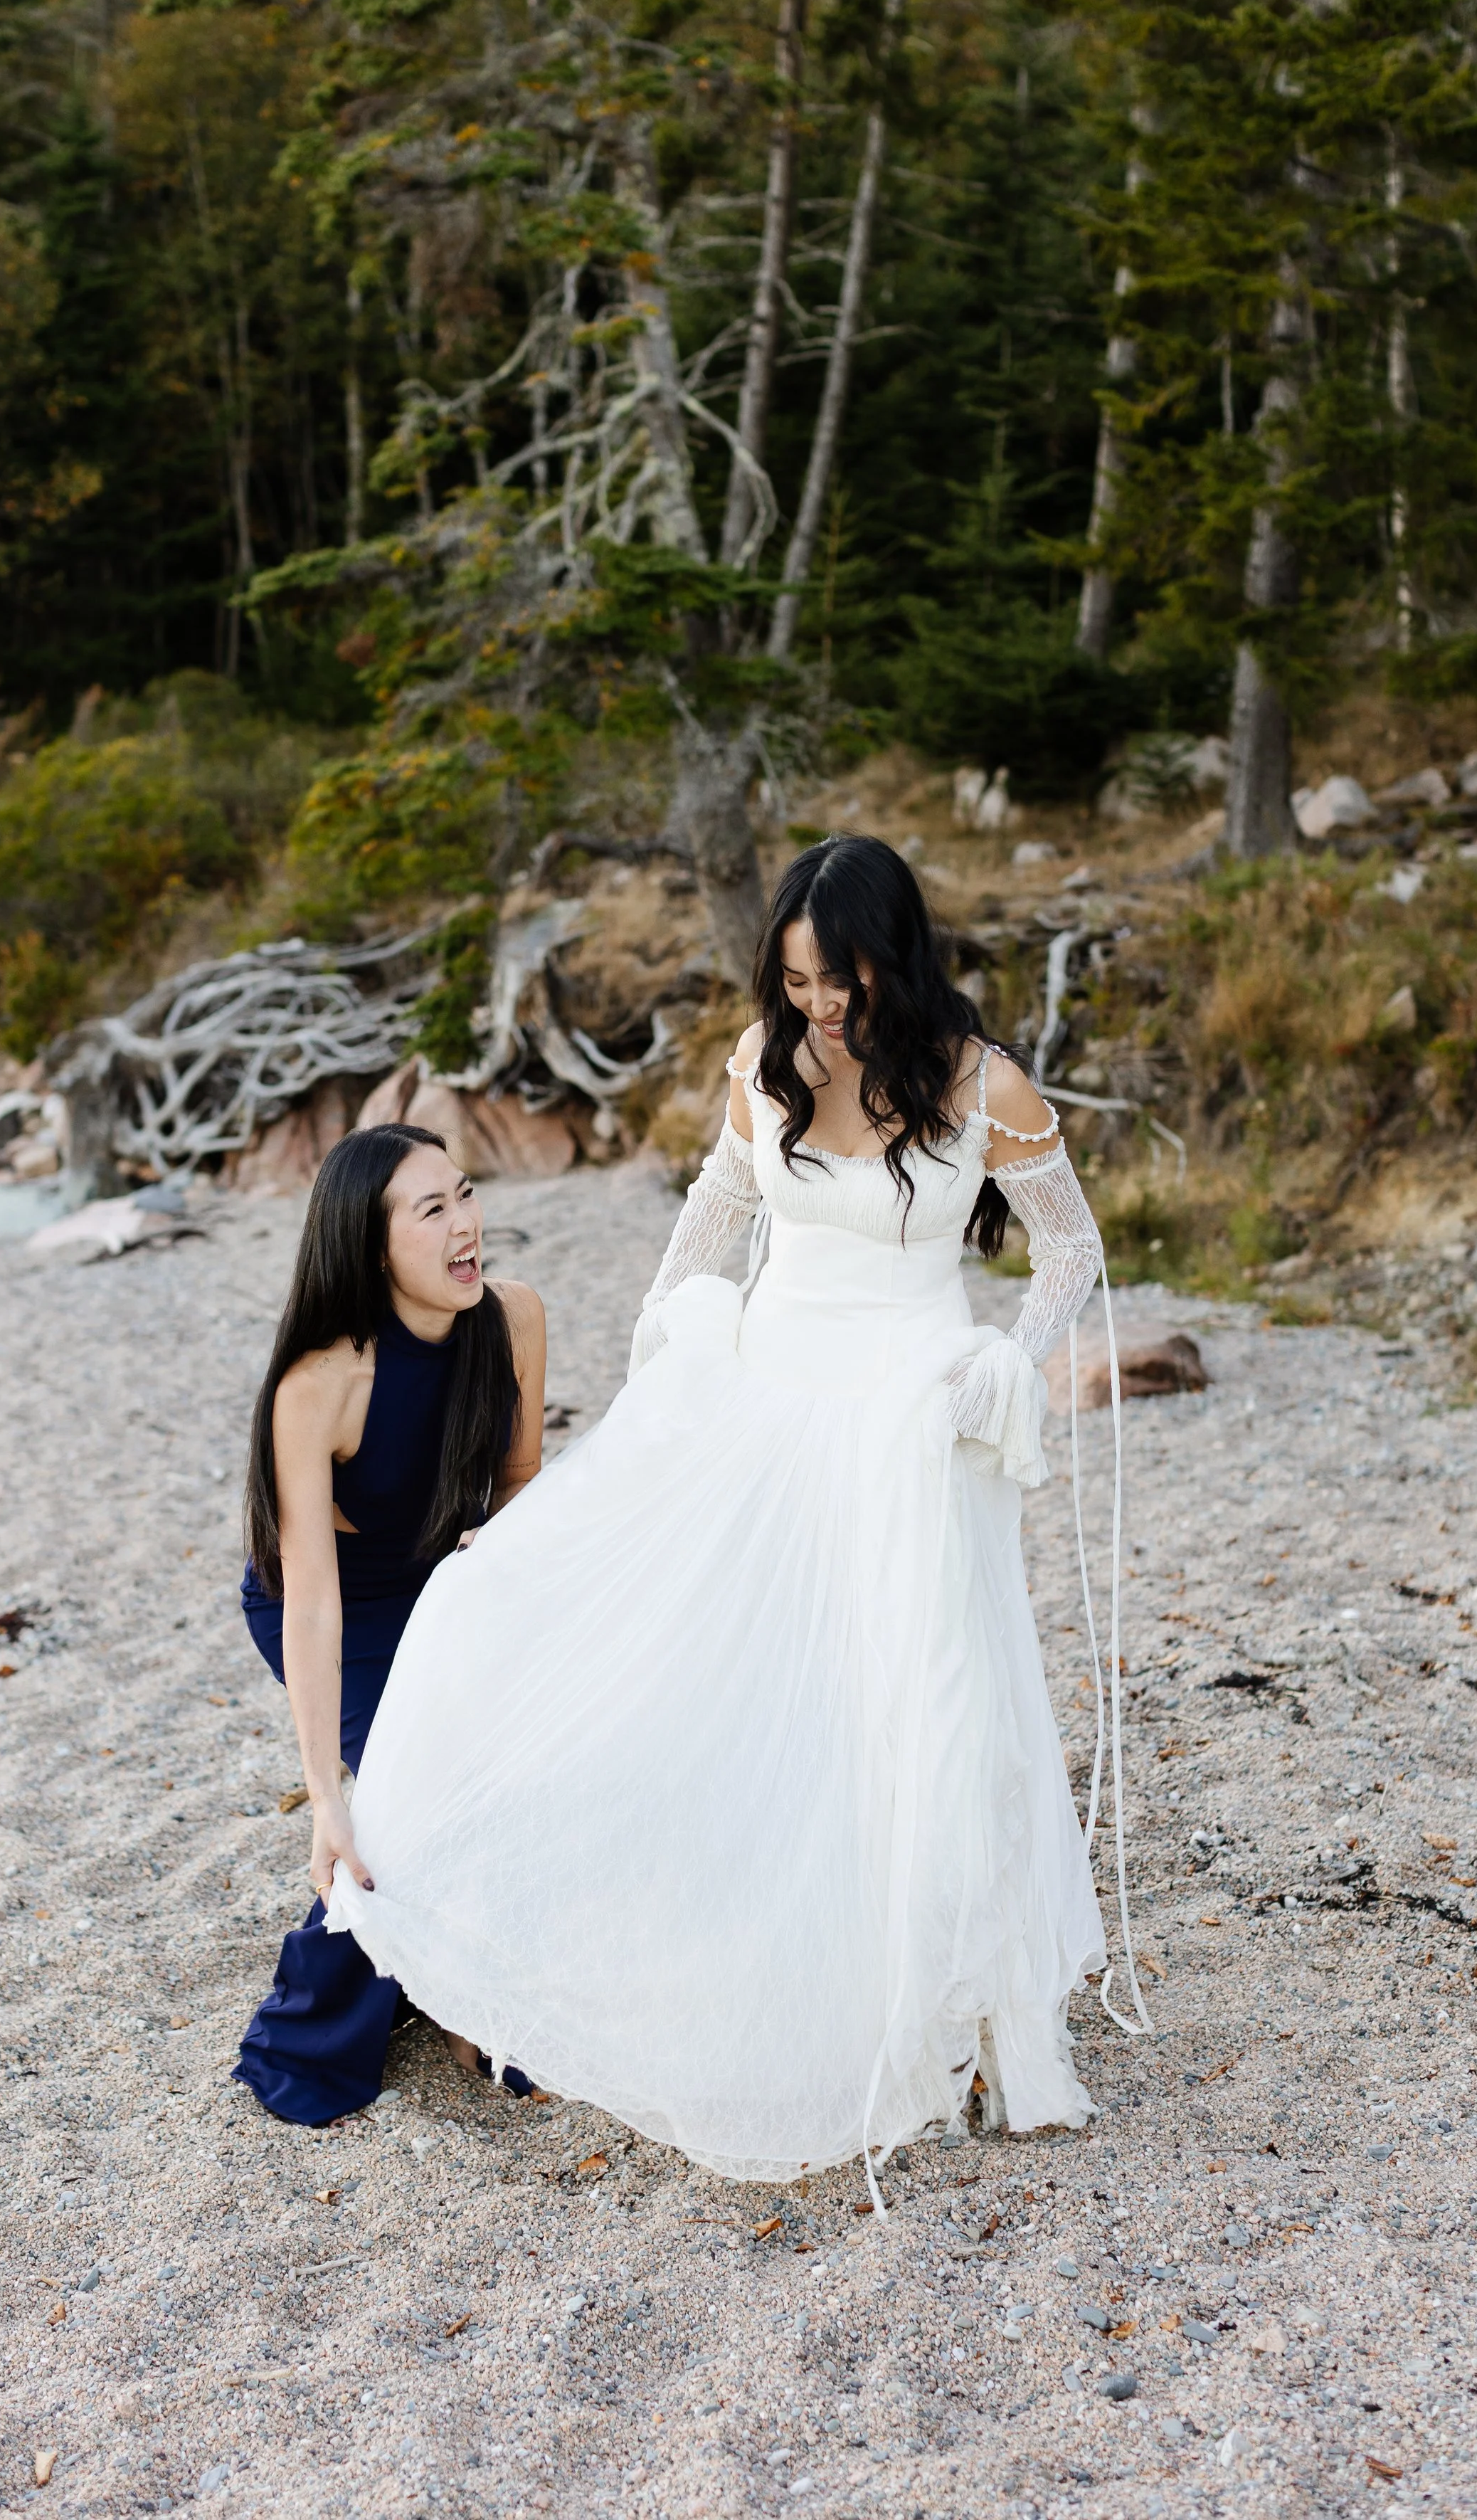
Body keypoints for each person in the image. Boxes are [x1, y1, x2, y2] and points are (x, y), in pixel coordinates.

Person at [325, 837, 1118, 2188]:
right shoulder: (766, 1067)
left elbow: (1075, 1248)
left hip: (916, 1423)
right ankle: (786, 1970)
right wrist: (666, 1352)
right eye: (798, 978)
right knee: (747, 1685)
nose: (817, 1005)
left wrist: (1010, 1364)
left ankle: (946, 2008)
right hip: (772, 1403)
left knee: (924, 1701)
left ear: (897, 956)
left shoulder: (985, 1083)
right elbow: (714, 1218)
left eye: (841, 977)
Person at [232, 1122, 546, 2124]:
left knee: (524, 1771)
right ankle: (322, 2031)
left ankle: (468, 1989)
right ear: (374, 1248)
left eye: (465, 1193)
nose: (467, 1225)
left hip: (447, 1585)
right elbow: (311, 1599)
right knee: (407, 1807)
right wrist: (327, 1797)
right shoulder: (322, 1383)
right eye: (432, 1209)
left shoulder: (518, 1318)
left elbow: (520, 1487)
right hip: (343, 1604)